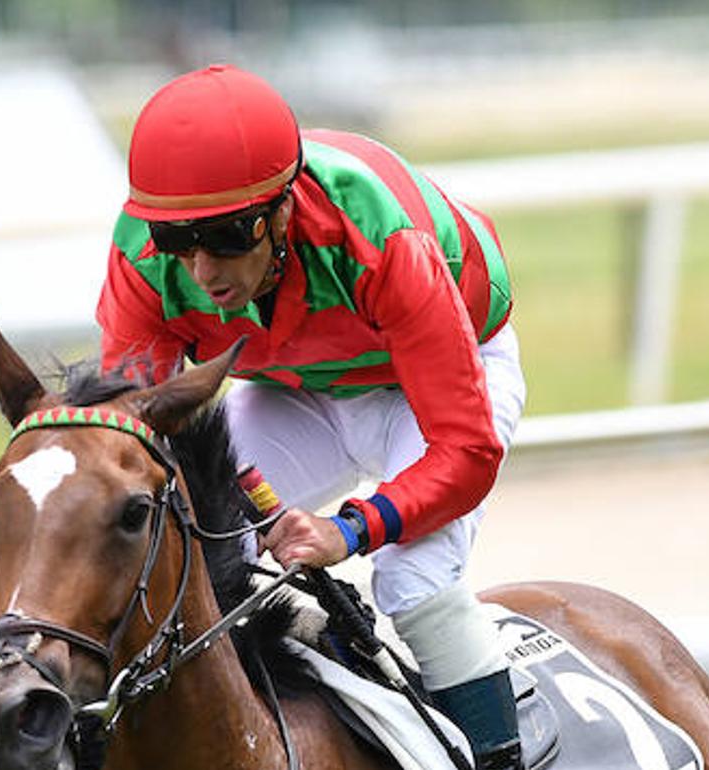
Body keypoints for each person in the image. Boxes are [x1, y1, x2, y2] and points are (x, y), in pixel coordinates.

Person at [96, 64, 526, 770]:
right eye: (180, 242)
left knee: (411, 581)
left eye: (229, 236)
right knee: (197, 550)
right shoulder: (143, 261)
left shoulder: (381, 238)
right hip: (294, 391)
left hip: (442, 387)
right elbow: (134, 436)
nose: (202, 271)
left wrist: (348, 529)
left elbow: (465, 450)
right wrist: (243, 503)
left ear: (283, 213)